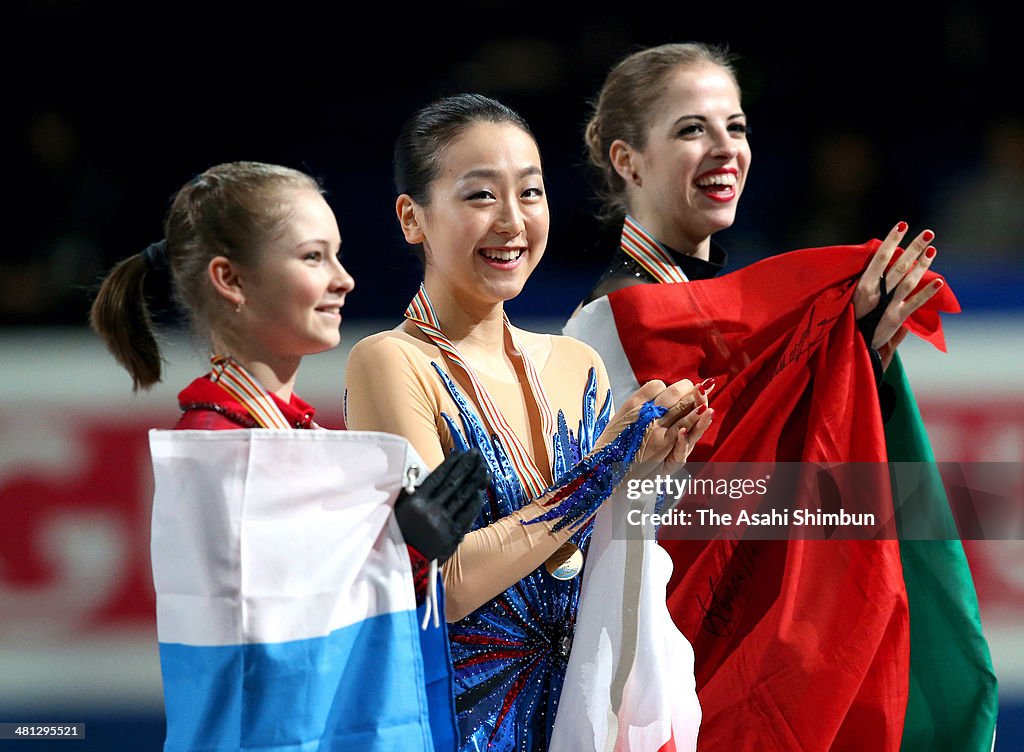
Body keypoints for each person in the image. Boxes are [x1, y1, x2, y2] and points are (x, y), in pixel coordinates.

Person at [564, 42, 996, 751]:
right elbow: (639, 514)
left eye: (735, 127)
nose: (724, 149)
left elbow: (781, 487)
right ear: (626, 160)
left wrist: (851, 371)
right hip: (652, 681)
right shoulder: (607, 324)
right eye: (690, 129)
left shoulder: (751, 323)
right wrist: (815, 372)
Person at [343, 94, 711, 752]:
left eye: (531, 193)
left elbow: (597, 563)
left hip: (585, 722)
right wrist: (606, 469)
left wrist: (647, 476)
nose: (512, 222)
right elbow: (444, 586)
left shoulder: (578, 365)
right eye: (481, 195)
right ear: (412, 218)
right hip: (458, 729)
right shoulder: (392, 363)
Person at [89, 160, 489, 751]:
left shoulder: (281, 433)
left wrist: (402, 557)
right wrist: (395, 552)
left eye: (338, 254)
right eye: (312, 257)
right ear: (231, 280)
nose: (344, 279)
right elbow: (271, 654)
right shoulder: (214, 445)